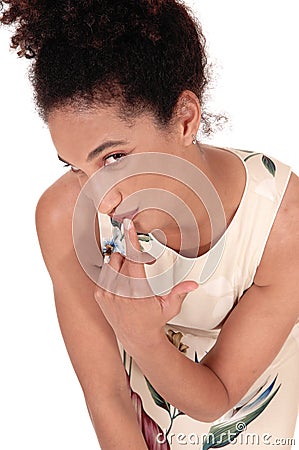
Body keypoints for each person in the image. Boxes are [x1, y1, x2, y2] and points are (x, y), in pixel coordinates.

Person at [1, 1, 299, 449]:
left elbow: (214, 399)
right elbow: (107, 396)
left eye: (114, 158)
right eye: (76, 168)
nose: (100, 198)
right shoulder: (65, 217)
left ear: (184, 119)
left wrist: (142, 337)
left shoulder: (282, 219)